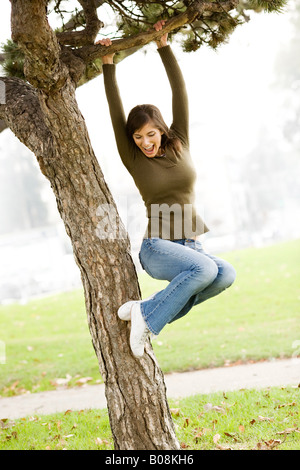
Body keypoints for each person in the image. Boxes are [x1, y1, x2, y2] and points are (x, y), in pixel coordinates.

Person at [97, 20, 236, 358]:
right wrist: (107, 65)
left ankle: (146, 311)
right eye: (138, 136)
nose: (144, 142)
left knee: (224, 274)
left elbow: (179, 92)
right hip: (158, 248)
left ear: (161, 129)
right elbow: (116, 112)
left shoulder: (181, 142)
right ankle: (150, 318)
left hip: (190, 243)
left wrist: (164, 46)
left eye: (150, 134)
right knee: (204, 270)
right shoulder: (133, 158)